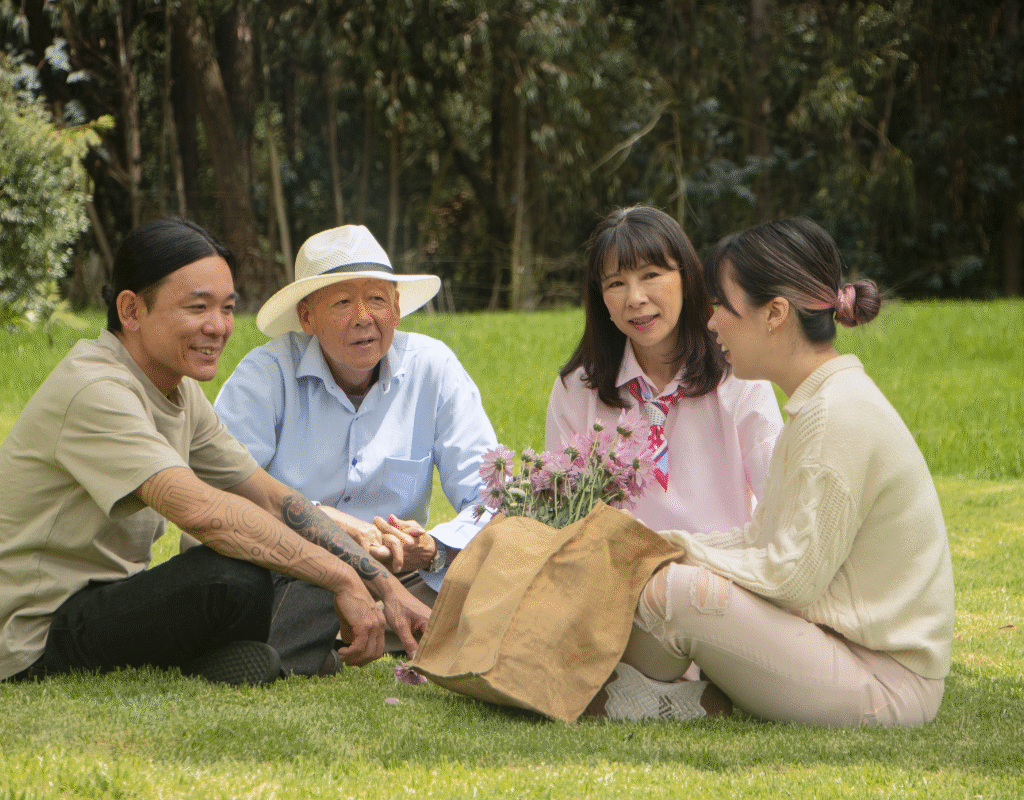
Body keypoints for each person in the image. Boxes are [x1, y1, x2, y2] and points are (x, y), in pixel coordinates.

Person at [0, 219, 429, 686]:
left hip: (102, 600)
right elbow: (204, 513)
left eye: (226, 308)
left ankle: (220, 661)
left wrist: (383, 586)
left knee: (258, 564)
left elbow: (270, 497)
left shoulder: (177, 391)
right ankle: (218, 660)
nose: (218, 326)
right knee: (229, 574)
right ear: (130, 310)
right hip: (32, 632)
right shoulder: (95, 389)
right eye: (197, 307)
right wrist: (342, 578)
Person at [586, 217, 955, 727]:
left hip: (883, 682)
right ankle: (647, 688)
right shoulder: (819, 403)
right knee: (663, 586)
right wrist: (657, 550)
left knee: (675, 594)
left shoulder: (835, 415)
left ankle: (613, 681)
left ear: (775, 314)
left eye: (724, 307)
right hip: (844, 655)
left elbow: (791, 577)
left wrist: (675, 557)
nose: (712, 323)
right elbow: (762, 538)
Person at [210, 224, 498, 675]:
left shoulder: (433, 368)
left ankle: (348, 632)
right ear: (306, 317)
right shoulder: (266, 374)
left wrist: (433, 547)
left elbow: (490, 495)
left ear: (398, 309)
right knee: (284, 585)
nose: (364, 317)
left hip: (405, 573)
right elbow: (223, 491)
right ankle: (375, 627)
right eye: (343, 302)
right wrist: (333, 529)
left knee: (499, 574)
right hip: (298, 566)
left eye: (378, 299)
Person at [546, 205, 783, 536]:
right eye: (616, 283)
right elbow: (562, 517)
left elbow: (780, 502)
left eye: (651, 275)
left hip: (721, 572)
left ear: (686, 278)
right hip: (620, 577)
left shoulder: (739, 375)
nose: (635, 298)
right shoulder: (578, 389)